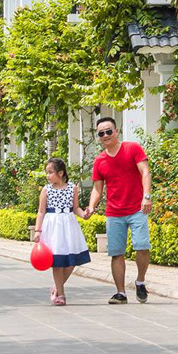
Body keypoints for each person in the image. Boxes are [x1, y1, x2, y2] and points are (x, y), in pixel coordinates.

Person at [83, 116, 151, 304]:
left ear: (116, 131)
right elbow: (97, 189)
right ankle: (121, 293)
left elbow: (145, 172)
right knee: (116, 253)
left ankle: (140, 281)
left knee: (142, 246)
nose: (105, 135)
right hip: (114, 213)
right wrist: (91, 207)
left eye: (108, 131)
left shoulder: (132, 148)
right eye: (101, 133)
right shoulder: (99, 160)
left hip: (137, 208)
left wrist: (146, 196)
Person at [32, 157, 90, 306]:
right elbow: (41, 211)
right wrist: (38, 230)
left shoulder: (72, 188)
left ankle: (57, 287)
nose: (48, 175)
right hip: (53, 226)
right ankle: (61, 294)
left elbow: (75, 207)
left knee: (72, 260)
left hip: (69, 225)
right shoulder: (46, 190)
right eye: (47, 172)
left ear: (61, 173)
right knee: (57, 261)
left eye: (50, 172)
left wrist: (84, 214)